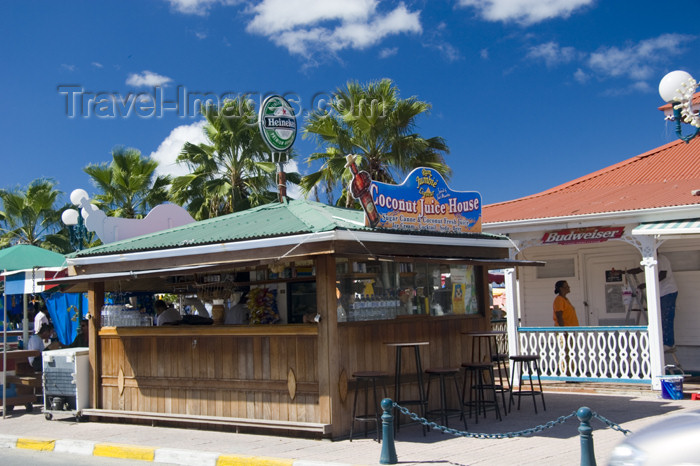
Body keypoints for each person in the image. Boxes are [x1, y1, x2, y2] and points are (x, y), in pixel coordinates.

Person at [628, 254, 678, 349]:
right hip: (660, 293)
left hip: (668, 291)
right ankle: (662, 341)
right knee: (659, 317)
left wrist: (646, 284)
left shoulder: (661, 258)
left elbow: (663, 275)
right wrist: (624, 272)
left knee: (666, 317)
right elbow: (639, 269)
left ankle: (668, 343)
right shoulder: (648, 258)